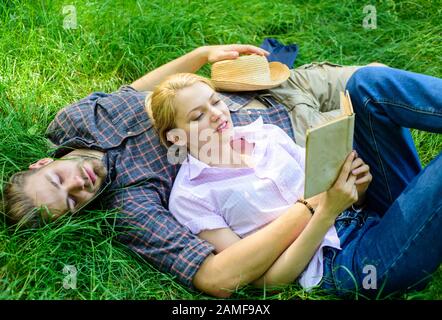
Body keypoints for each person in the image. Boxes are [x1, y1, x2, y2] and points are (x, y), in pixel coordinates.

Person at [1, 43, 440, 299]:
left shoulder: (70, 121)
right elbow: (221, 278)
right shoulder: (135, 204)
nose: (79, 185)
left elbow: (133, 91)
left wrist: (202, 55)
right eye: (73, 202)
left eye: (60, 180)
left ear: (44, 162)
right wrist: (318, 207)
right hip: (341, 254)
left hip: (325, 172)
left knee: (369, 84)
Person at [147, 68, 442, 298]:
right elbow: (266, 282)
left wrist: (358, 188)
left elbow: (328, 184)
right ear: (176, 138)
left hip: (369, 212)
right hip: (346, 260)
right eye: (198, 117)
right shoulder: (191, 196)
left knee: (364, 84)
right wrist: (326, 211)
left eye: (215, 102)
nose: (216, 115)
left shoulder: (266, 136)